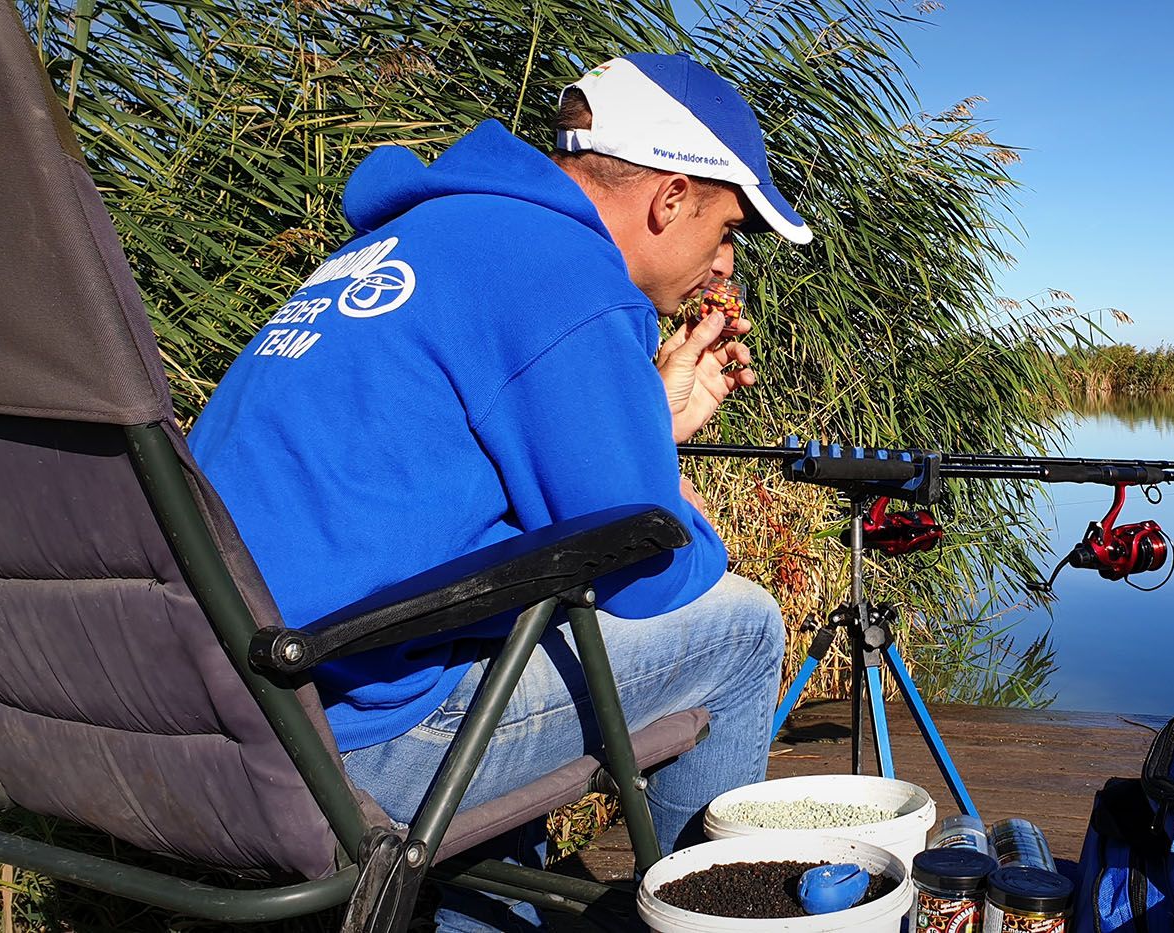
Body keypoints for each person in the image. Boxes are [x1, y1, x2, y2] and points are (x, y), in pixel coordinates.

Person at [187, 52, 811, 930]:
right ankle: (702, 919)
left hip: (200, 724)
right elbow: (656, 569)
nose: (722, 262)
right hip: (347, 752)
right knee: (744, 628)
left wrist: (645, 420)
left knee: (527, 626)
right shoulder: (569, 272)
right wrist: (679, 511)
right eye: (728, 229)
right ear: (670, 199)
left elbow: (427, 477)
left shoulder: (401, 243)